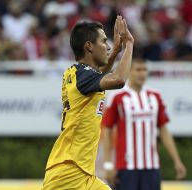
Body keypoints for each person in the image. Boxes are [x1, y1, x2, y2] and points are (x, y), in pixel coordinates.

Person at [42, 15, 134, 190]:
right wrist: (129, 43)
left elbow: (99, 75)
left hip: (83, 174)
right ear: (89, 46)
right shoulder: (83, 76)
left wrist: (114, 52)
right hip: (67, 173)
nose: (106, 46)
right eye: (103, 42)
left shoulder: (76, 73)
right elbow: (119, 80)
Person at [101, 59, 187, 190]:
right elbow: (107, 130)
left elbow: (163, 130)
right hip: (125, 166)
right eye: (138, 70)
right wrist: (108, 164)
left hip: (151, 166)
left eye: (145, 70)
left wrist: (177, 160)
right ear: (129, 71)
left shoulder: (155, 96)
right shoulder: (117, 96)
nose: (142, 73)